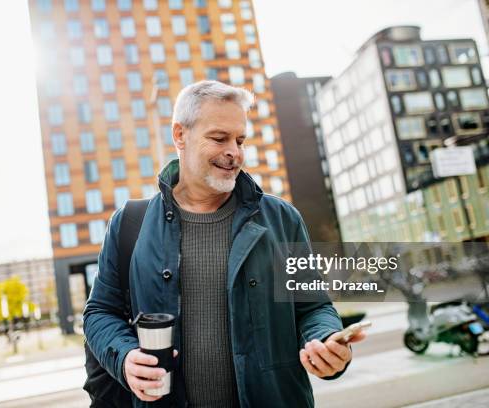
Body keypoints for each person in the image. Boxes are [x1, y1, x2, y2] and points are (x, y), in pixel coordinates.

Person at [83, 80, 365, 407]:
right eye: (219, 138)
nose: (234, 151)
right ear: (180, 135)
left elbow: (313, 307)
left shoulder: (282, 219)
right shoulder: (129, 224)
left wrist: (326, 340)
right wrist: (125, 356)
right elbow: (99, 312)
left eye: (240, 139)